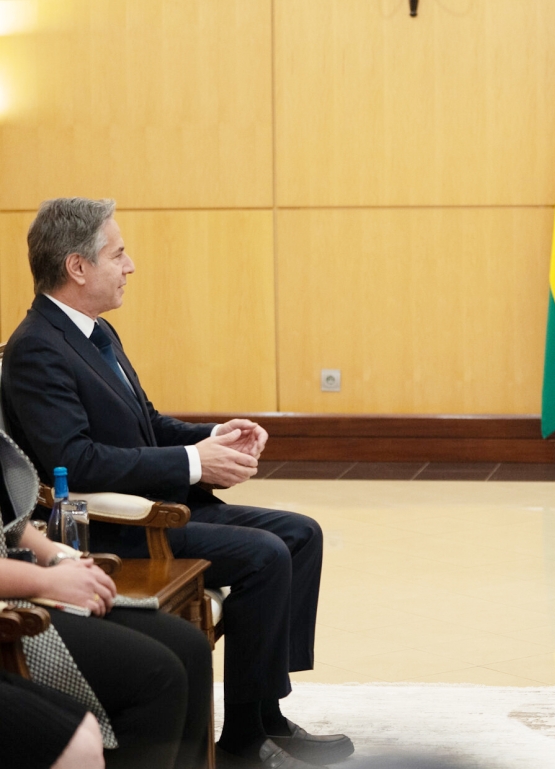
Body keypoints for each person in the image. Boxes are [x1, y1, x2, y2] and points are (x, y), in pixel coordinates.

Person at [1, 198, 354, 768]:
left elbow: (147, 422)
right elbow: (76, 461)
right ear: (77, 267)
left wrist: (214, 436)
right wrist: (194, 463)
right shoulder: (36, 348)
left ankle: (264, 716)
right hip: (115, 526)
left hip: (160, 502)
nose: (130, 265)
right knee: (266, 554)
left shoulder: (96, 332)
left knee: (301, 535)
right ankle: (244, 740)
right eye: (118, 254)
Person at [0, 426, 212, 769]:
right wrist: (45, 581)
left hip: (24, 579)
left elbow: (11, 521)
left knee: (190, 647)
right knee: (156, 674)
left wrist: (60, 558)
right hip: (12, 604)